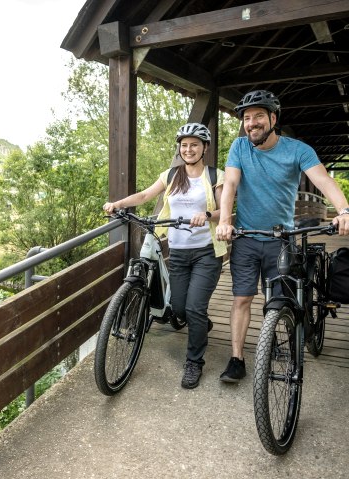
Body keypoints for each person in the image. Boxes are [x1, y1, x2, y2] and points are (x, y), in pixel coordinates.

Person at [216, 89, 349, 383]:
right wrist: (225, 221)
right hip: (248, 237)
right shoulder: (239, 147)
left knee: (277, 300)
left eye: (258, 116)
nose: (252, 123)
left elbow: (323, 180)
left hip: (282, 239)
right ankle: (237, 359)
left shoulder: (297, 150)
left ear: (273, 118)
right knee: (241, 299)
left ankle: (272, 340)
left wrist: (344, 210)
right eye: (247, 118)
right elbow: (230, 185)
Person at [103, 123, 227, 389]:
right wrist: (118, 204)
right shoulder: (172, 175)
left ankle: (194, 363)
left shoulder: (216, 175)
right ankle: (200, 323)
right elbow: (146, 195)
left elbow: (224, 213)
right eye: (184, 145)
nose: (189, 149)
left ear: (204, 147)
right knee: (180, 308)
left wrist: (206, 215)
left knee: (193, 307)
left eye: (194, 144)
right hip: (179, 253)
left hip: (206, 252)